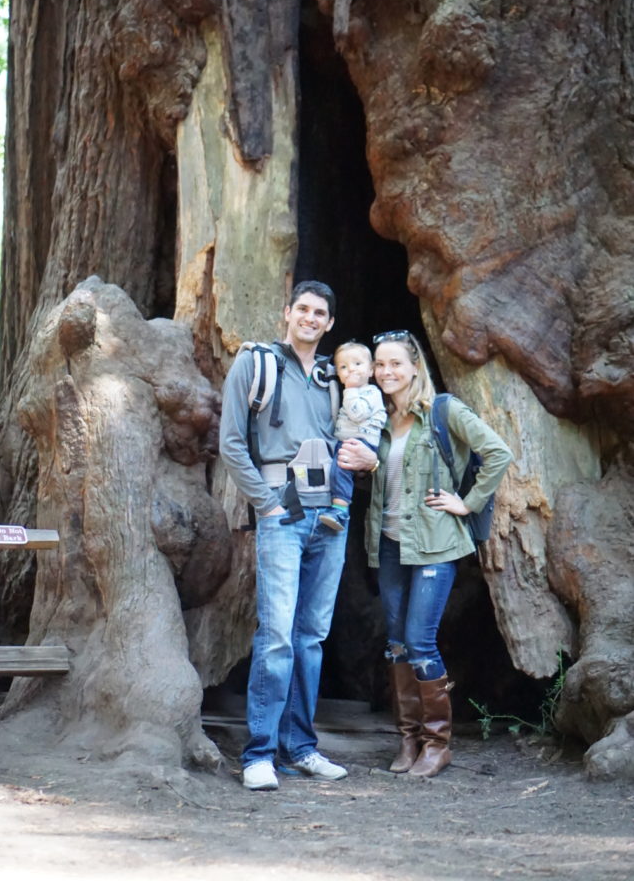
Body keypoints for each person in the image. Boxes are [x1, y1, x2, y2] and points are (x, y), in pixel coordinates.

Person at [339, 329, 512, 778]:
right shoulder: (376, 421)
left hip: (436, 545)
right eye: (379, 364)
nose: (386, 371)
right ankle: (408, 740)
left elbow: (497, 452)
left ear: (415, 366)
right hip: (391, 545)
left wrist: (466, 502)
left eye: (396, 363)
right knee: (396, 646)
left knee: (419, 641)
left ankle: (438, 743)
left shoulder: (442, 411)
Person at [219, 281, 350, 791]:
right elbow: (231, 443)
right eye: (303, 309)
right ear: (287, 314)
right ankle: (259, 754)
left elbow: (349, 440)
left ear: (329, 323)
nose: (310, 318)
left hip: (330, 519)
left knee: (311, 637)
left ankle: (300, 748)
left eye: (320, 312)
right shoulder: (256, 364)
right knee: (276, 636)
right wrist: (267, 503)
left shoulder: (332, 375)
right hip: (282, 511)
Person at [318, 341, 387, 533]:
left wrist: (349, 390)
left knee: (341, 470)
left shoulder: (371, 393)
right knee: (335, 470)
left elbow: (357, 413)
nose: (351, 370)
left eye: (358, 364)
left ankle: (340, 510)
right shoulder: (352, 393)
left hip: (361, 443)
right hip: (348, 440)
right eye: (343, 367)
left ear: (371, 370)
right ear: (338, 375)